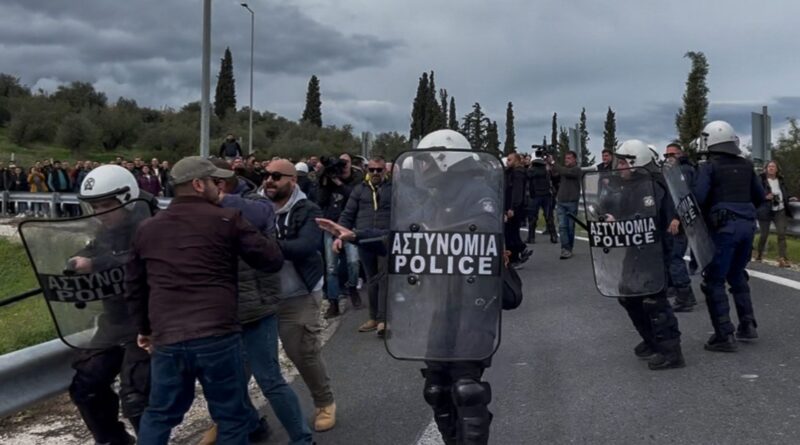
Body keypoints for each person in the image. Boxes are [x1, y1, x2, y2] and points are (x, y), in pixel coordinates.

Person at [125, 156, 283, 444]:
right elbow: (271, 259)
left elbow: (135, 286)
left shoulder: (148, 228)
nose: (220, 187)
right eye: (215, 182)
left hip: (168, 336)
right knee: (230, 415)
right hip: (217, 333)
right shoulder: (227, 219)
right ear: (198, 184)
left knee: (160, 414)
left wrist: (145, 329)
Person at [394, 129, 505, 444]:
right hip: (440, 303)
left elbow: (485, 229)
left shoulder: (477, 190)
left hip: (474, 301)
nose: (421, 169)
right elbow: (408, 233)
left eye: (426, 161)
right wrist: (357, 237)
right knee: (437, 388)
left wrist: (436, 232)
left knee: (467, 389)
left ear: (447, 158)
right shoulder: (433, 198)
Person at [200, 160, 314, 445]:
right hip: (223, 311)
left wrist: (221, 201)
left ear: (220, 183)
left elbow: (262, 216)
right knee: (228, 381)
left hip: (256, 306)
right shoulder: (203, 209)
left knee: (269, 379)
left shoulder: (252, 202)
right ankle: (252, 425)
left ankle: (302, 439)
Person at [51, 165, 159, 445]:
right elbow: (93, 250)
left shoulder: (152, 224)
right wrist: (75, 262)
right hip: (114, 321)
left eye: (107, 205)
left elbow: (141, 261)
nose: (101, 212)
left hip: (150, 321)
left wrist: (97, 264)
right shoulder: (107, 231)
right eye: (95, 206)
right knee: (86, 386)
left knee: (136, 396)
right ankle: (114, 441)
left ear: (126, 198)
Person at [262, 159, 337, 433]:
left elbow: (306, 246)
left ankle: (325, 402)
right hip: (260, 296)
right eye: (266, 175)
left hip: (299, 294)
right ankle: (231, 415)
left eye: (276, 176)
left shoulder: (307, 209)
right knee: (243, 358)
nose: (269, 181)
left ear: (292, 180)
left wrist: (263, 246)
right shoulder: (253, 206)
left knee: (303, 352)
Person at [693, 121, 766, 352]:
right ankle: (748, 324)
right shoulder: (746, 165)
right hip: (747, 227)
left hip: (724, 230)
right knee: (737, 275)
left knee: (714, 280)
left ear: (710, 140)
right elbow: (759, 196)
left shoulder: (709, 167)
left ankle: (724, 334)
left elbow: (699, 197)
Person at [338, 156, 392, 330]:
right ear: (367, 170)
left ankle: (384, 319)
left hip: (386, 239)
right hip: (364, 238)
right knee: (371, 279)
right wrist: (340, 235)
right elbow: (348, 213)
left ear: (386, 170)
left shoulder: (394, 189)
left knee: (385, 278)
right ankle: (373, 317)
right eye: (372, 169)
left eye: (379, 169)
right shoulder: (358, 190)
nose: (375, 172)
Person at [317, 153, 364, 316]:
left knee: (353, 262)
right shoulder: (329, 180)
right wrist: (325, 181)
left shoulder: (357, 179)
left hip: (350, 227)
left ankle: (351, 287)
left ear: (352, 164)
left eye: (346, 163)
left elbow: (353, 195)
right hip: (331, 226)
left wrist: (338, 182)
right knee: (331, 267)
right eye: (341, 163)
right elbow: (320, 200)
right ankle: (333, 301)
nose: (343, 166)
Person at [663, 142, 698, 312]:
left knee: (676, 257)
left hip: (680, 221)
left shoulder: (684, 171)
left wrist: (677, 218)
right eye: (666, 155)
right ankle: (676, 289)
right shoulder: (673, 171)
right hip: (674, 219)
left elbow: (685, 195)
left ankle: (685, 297)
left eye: (672, 155)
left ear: (680, 154)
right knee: (671, 255)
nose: (669, 158)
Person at [756, 160, 795, 268]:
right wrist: (765, 196)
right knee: (764, 234)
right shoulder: (761, 179)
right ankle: (759, 254)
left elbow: (785, 191)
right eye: (769, 166)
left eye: (773, 166)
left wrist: (789, 197)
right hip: (765, 210)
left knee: (781, 233)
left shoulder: (780, 180)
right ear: (766, 168)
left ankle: (782, 258)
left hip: (780, 209)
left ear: (777, 169)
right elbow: (755, 193)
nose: (771, 168)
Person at [551, 151, 582, 259]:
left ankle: (569, 247)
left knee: (570, 227)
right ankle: (565, 248)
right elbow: (555, 176)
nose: (567, 160)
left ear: (574, 159)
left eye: (569, 158)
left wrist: (554, 162)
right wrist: (550, 167)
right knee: (562, 226)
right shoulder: (563, 170)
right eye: (566, 158)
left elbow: (566, 172)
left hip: (572, 202)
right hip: (561, 201)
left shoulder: (576, 170)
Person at [526, 148, 557, 244]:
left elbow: (527, 178)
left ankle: (531, 237)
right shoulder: (546, 170)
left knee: (532, 217)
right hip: (546, 194)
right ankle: (553, 236)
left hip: (535, 195)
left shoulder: (531, 170)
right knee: (549, 216)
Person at [504, 153, 530, 266]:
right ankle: (520, 251)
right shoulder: (512, 172)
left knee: (510, 232)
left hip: (514, 207)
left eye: (510, 160)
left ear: (517, 161)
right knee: (511, 232)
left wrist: (512, 208)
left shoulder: (518, 173)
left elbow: (517, 192)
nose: (507, 162)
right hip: (511, 206)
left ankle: (515, 256)